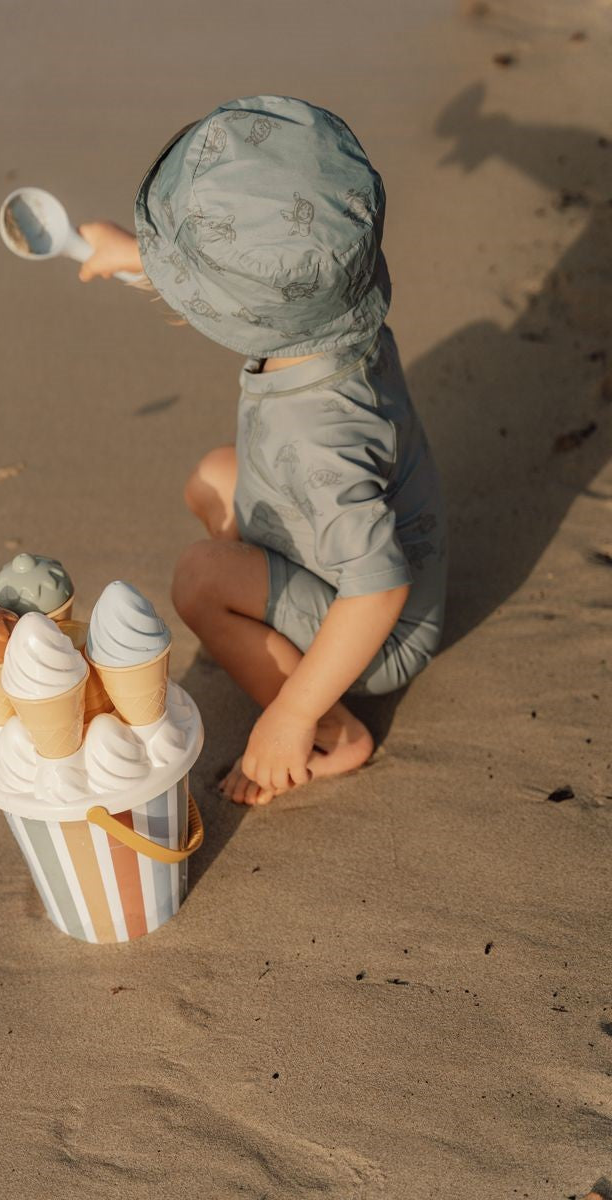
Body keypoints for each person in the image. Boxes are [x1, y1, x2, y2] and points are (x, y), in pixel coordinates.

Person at [77, 95, 447, 806]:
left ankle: (338, 730)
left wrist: (292, 716)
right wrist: (137, 254)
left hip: (379, 630)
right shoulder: (341, 286)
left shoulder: (320, 433)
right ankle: (261, 614)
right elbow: (272, 269)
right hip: (333, 534)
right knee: (215, 477)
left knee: (198, 579)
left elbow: (379, 589)